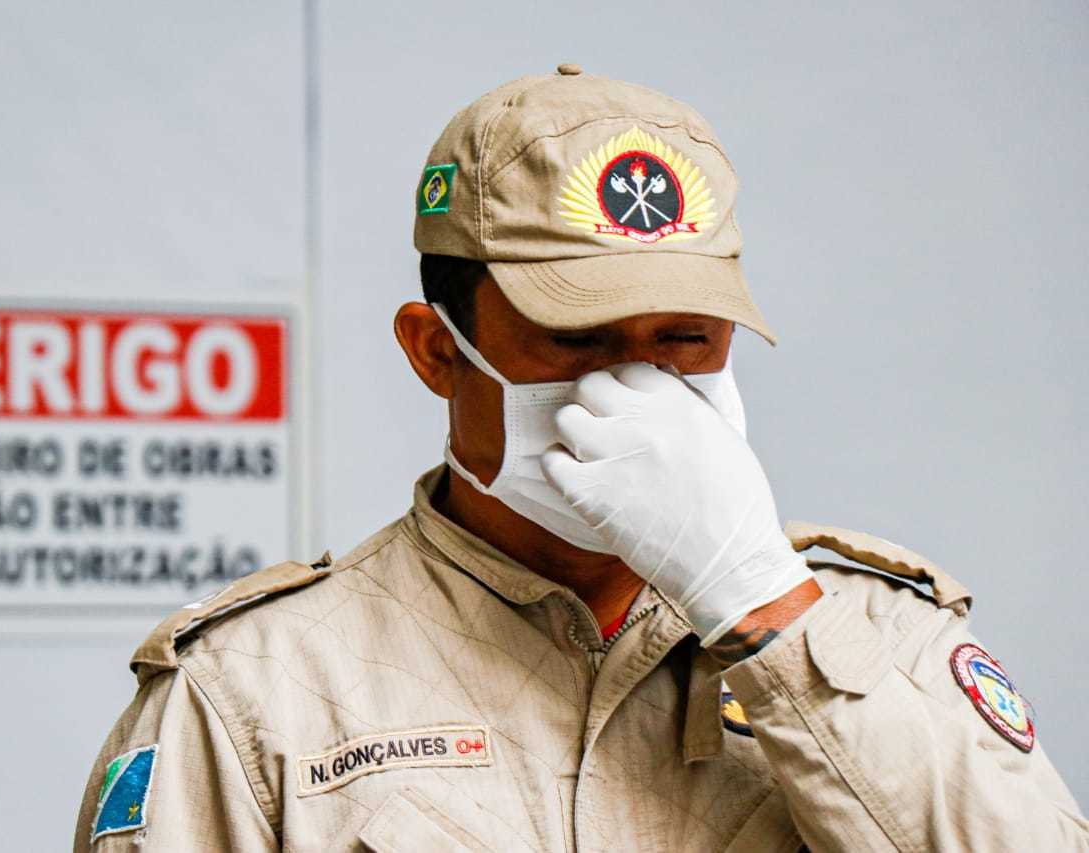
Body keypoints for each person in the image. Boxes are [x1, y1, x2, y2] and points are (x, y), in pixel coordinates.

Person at [74, 66, 1087, 851]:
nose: (639, 387)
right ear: (436, 350)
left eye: (683, 339)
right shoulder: (259, 691)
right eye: (578, 339)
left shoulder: (880, 645)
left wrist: (762, 611)